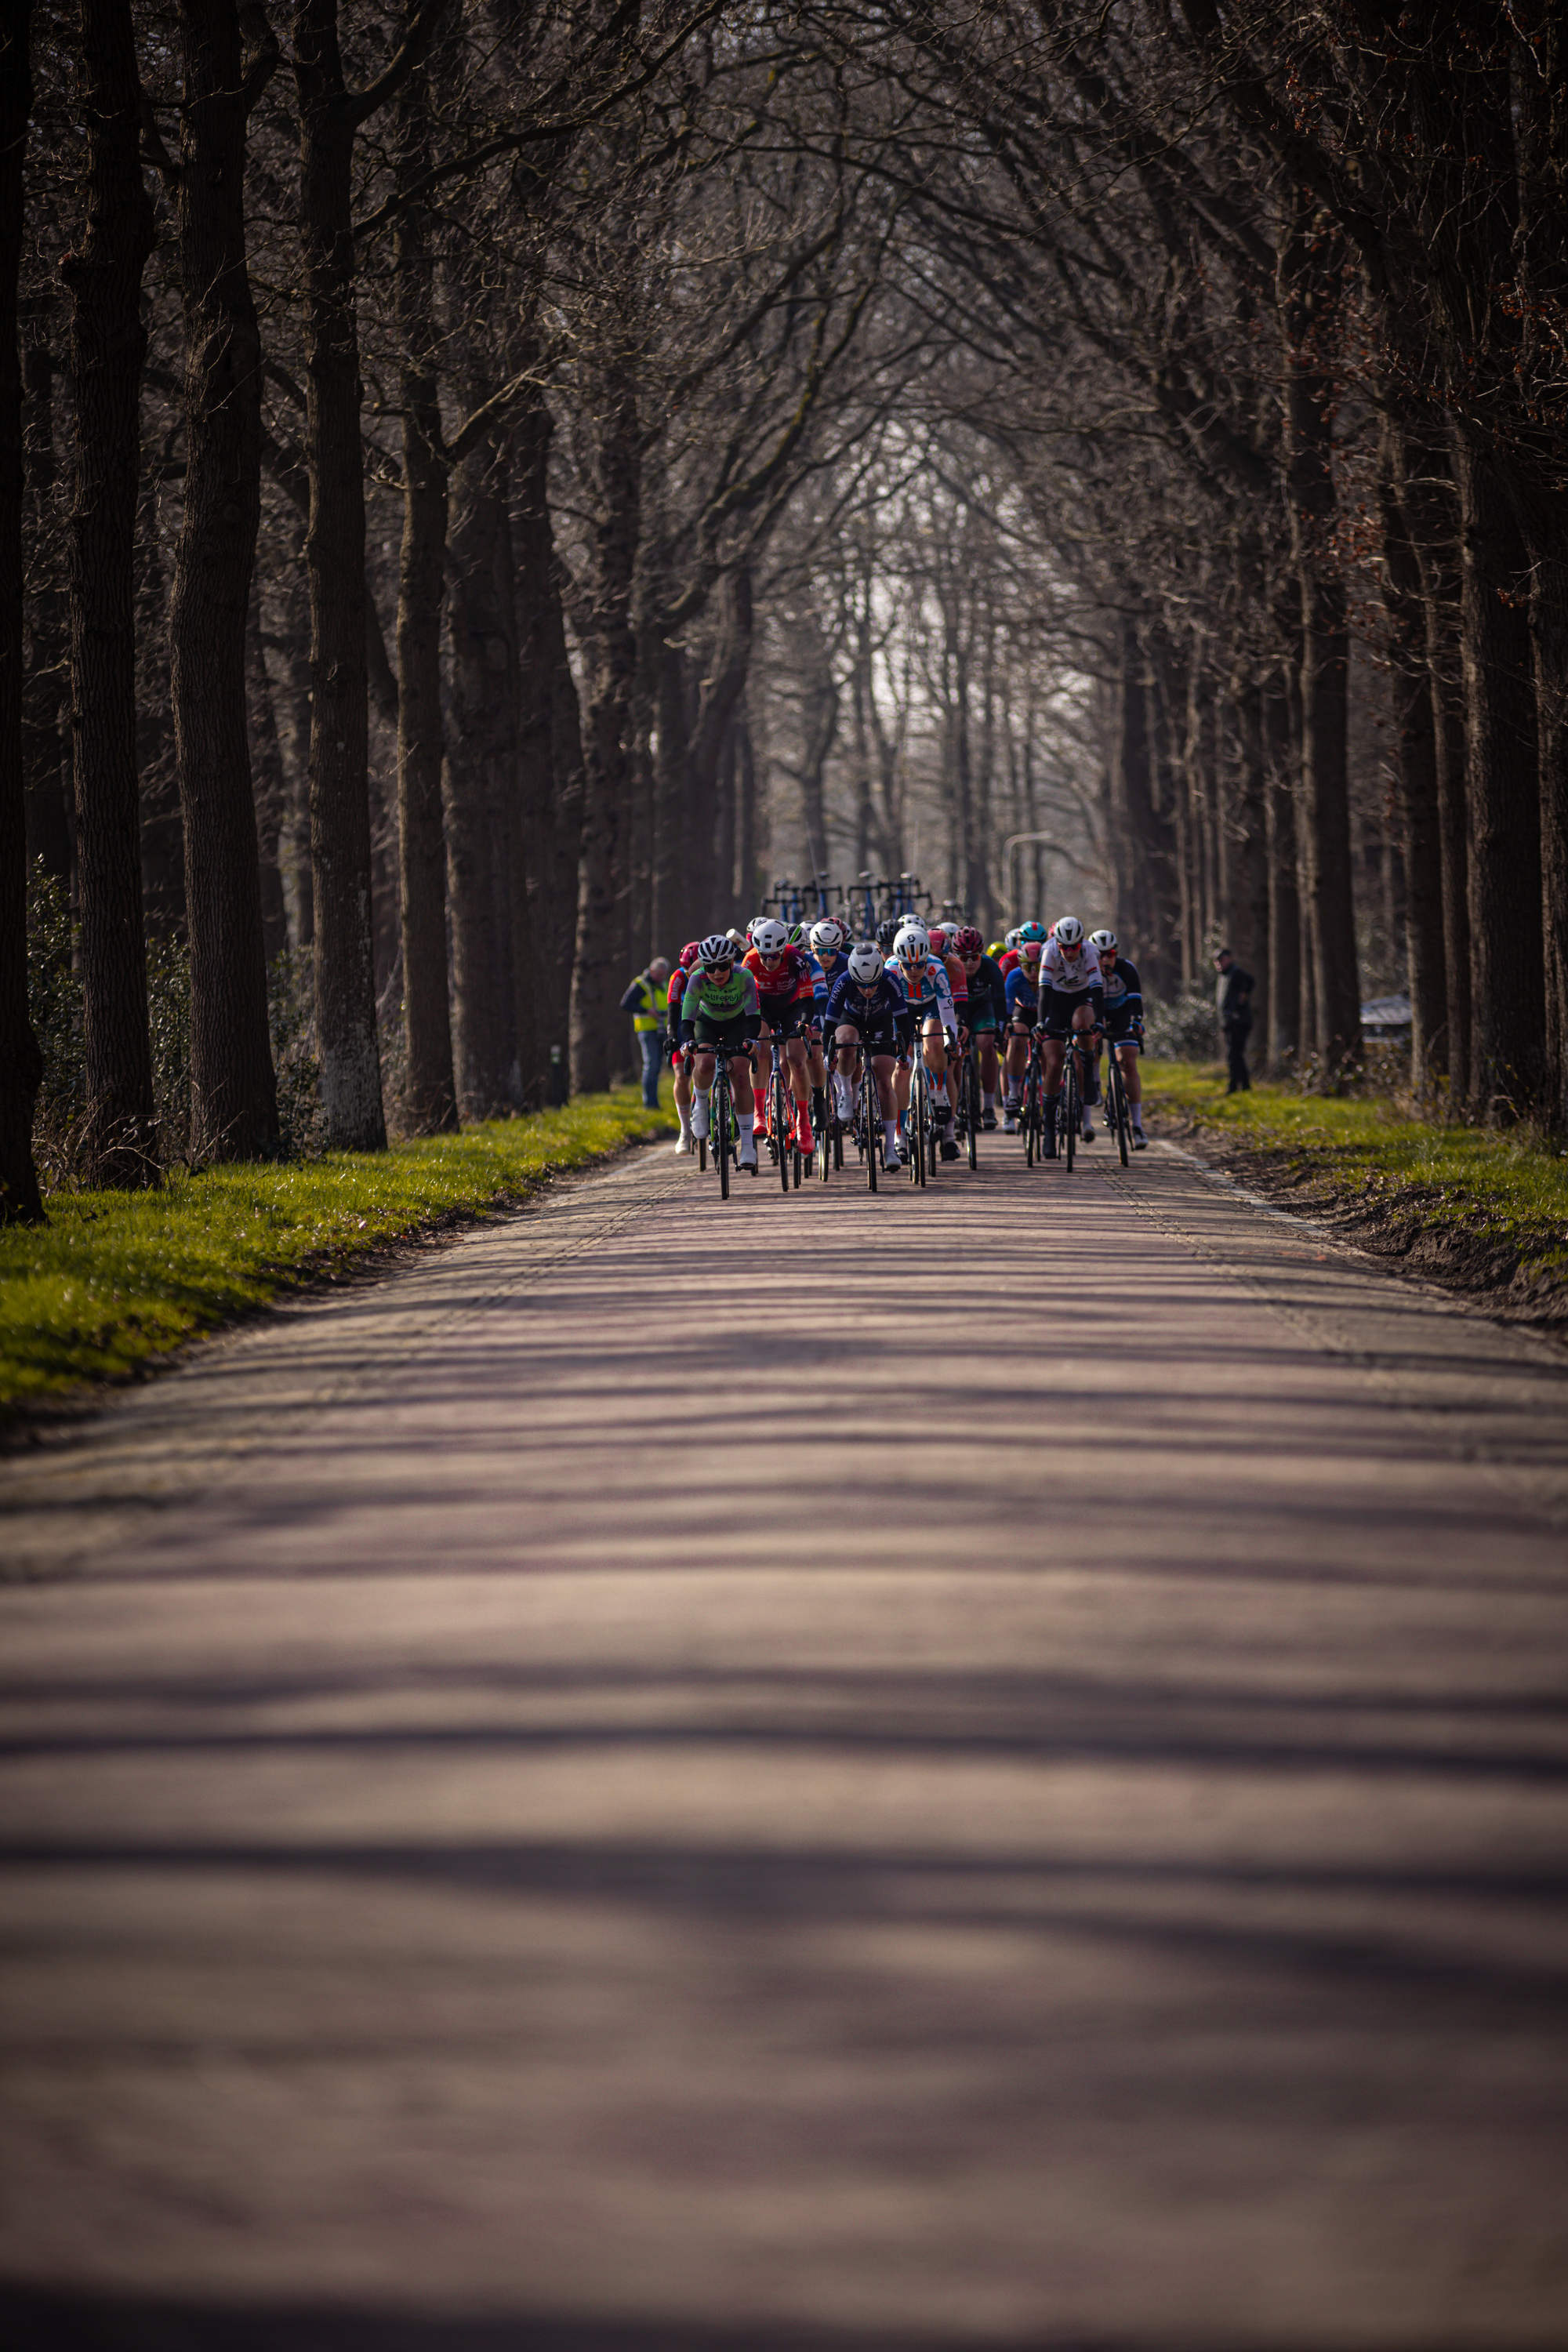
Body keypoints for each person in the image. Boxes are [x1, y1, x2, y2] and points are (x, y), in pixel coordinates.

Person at [678, 935, 763, 1172]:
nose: (717, 973)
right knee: (704, 1062)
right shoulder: (696, 979)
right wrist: (688, 1042)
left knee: (741, 1075)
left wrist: (750, 1039)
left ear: (731, 963)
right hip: (707, 1023)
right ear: (703, 967)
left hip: (737, 1023)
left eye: (723, 966)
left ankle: (747, 1144)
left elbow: (753, 1017)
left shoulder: (744, 976)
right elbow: (687, 1019)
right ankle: (701, 1106)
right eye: (710, 967)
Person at [826, 942, 911, 1172]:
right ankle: (846, 1092)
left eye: (873, 984)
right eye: (862, 985)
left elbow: (903, 1021)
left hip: (881, 1021)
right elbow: (830, 1023)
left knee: (884, 1079)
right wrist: (828, 1053)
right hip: (850, 1019)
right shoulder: (843, 981)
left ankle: (891, 1148)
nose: (868, 990)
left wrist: (904, 1051)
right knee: (844, 1041)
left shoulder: (890, 980)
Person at [742, 917, 818, 1155]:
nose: (768, 961)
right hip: (762, 1006)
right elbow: (744, 1000)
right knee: (761, 1048)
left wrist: (805, 1022)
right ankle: (759, 1113)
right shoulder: (750, 960)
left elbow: (808, 998)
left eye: (774, 956)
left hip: (791, 1008)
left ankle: (803, 1122)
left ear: (783, 950)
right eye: (764, 955)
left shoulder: (796, 957)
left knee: (797, 1059)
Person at [890, 920, 961, 1159]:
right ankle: (899, 1137)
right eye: (907, 966)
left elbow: (947, 1012)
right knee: (901, 1067)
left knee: (935, 1043)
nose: (914, 971)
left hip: (931, 1006)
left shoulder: (936, 969)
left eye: (919, 964)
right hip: (902, 1010)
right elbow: (887, 1012)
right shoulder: (889, 971)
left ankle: (939, 1094)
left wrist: (951, 1040)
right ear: (898, 962)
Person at [1040, 915, 1104, 1152]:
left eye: (1073, 947)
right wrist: (1040, 1023)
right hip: (1055, 1001)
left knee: (1083, 1022)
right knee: (1054, 1063)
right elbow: (1044, 991)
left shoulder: (1090, 952)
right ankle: (1048, 1129)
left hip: (1081, 997)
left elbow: (1097, 990)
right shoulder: (1049, 951)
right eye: (1064, 947)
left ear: (1082, 943)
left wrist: (1100, 1021)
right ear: (1057, 944)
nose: (1068, 951)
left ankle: (1088, 1076)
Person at [1090, 929, 1147, 1147]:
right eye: (1100, 955)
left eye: (1110, 953)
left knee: (1128, 1061)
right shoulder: (1089, 970)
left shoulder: (1126, 968)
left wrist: (1136, 1022)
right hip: (1099, 1015)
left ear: (1116, 953)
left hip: (1122, 1016)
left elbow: (1135, 1000)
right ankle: (1095, 1082)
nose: (1105, 959)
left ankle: (1138, 1126)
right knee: (1091, 1041)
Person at [953, 924, 1006, 1129]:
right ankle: (953, 1106)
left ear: (982, 954)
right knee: (953, 1052)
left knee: (987, 1042)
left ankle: (989, 1107)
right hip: (957, 1009)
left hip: (982, 1008)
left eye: (974, 957)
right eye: (963, 957)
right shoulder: (949, 966)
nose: (968, 963)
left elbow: (1000, 1000)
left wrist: (1001, 1029)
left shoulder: (990, 966)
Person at [620, 956, 670, 1109]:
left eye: (663, 975)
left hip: (662, 1030)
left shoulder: (664, 985)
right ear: (652, 970)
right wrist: (647, 1011)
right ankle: (649, 1104)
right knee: (651, 1065)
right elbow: (626, 1004)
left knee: (657, 1067)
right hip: (647, 1030)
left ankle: (653, 1102)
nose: (661, 977)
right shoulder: (641, 984)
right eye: (658, 974)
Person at [665, 942, 701, 1154]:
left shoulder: (713, 974)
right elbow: (672, 1009)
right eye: (688, 970)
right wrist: (671, 1036)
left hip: (706, 1024)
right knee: (681, 1076)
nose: (691, 974)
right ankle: (685, 1130)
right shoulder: (677, 978)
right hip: (682, 1026)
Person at [1214, 946, 1254, 1092]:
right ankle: (1245, 1085)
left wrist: (1241, 1000)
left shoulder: (1235, 973)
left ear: (1229, 959)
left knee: (1233, 1054)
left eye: (1221, 960)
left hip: (1239, 1021)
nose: (1219, 964)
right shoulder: (1224, 976)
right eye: (1217, 961)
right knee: (1236, 1054)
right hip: (1230, 1022)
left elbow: (1250, 981)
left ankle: (1233, 1086)